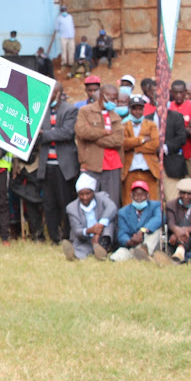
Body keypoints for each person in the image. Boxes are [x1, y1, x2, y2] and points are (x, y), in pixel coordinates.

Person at [38, 82, 79, 244]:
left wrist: (45, 134)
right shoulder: (41, 111)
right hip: (46, 165)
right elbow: (36, 135)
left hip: (65, 167)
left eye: (52, 93)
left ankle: (67, 236)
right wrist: (47, 134)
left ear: (60, 93)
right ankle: (54, 237)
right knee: (49, 203)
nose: (49, 97)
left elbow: (67, 133)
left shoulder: (70, 110)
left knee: (66, 202)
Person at [75, 84, 124, 205]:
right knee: (89, 202)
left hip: (113, 165)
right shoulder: (85, 111)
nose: (115, 102)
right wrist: (103, 133)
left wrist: (94, 139)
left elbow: (118, 141)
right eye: (112, 99)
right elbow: (81, 132)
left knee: (111, 203)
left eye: (116, 99)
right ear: (103, 97)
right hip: (91, 164)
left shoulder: (116, 116)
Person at [62, 173, 117, 261]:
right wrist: (91, 230)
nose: (85, 197)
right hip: (85, 238)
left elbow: (112, 207)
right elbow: (77, 230)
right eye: (81, 194)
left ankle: (102, 248)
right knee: (82, 249)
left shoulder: (102, 197)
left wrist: (100, 225)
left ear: (93, 192)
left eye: (88, 193)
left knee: (109, 220)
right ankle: (75, 255)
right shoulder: (71, 208)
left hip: (102, 236)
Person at [111, 181, 169, 263]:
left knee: (156, 230)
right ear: (131, 196)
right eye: (136, 195)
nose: (139, 198)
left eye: (142, 195)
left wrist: (142, 231)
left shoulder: (155, 205)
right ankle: (136, 254)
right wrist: (129, 241)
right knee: (119, 254)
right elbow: (122, 233)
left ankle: (143, 251)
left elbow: (159, 218)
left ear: (148, 196)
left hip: (149, 242)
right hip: (133, 243)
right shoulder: (123, 212)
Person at [121, 96, 159, 205]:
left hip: (148, 170)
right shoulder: (124, 125)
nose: (137, 112)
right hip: (130, 171)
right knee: (128, 202)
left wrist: (134, 148)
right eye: (134, 109)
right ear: (130, 110)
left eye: (140, 109)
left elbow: (155, 144)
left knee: (152, 201)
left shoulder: (151, 125)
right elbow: (123, 144)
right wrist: (142, 140)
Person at [170, 80, 191, 179]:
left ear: (185, 92)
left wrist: (177, 129)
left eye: (181, 92)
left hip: (189, 155)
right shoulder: (169, 107)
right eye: (175, 92)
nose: (178, 95)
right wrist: (185, 128)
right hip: (172, 156)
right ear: (171, 92)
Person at [166, 178, 191, 262]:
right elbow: (171, 223)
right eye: (183, 193)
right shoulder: (171, 205)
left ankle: (180, 251)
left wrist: (185, 230)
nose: (185, 196)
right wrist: (177, 231)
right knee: (183, 224)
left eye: (189, 194)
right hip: (172, 240)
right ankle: (180, 251)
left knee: (187, 225)